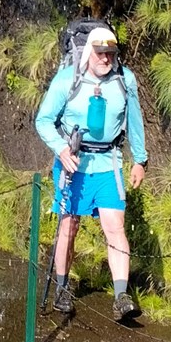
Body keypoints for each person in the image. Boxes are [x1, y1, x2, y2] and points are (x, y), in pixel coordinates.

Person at [34, 25, 148, 319]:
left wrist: (140, 160)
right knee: (69, 226)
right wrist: (61, 149)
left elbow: (135, 121)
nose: (106, 58)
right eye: (100, 53)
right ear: (88, 52)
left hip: (109, 163)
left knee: (115, 227)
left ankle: (121, 297)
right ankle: (62, 288)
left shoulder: (125, 80)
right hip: (74, 163)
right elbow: (43, 120)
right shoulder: (67, 80)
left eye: (110, 53)